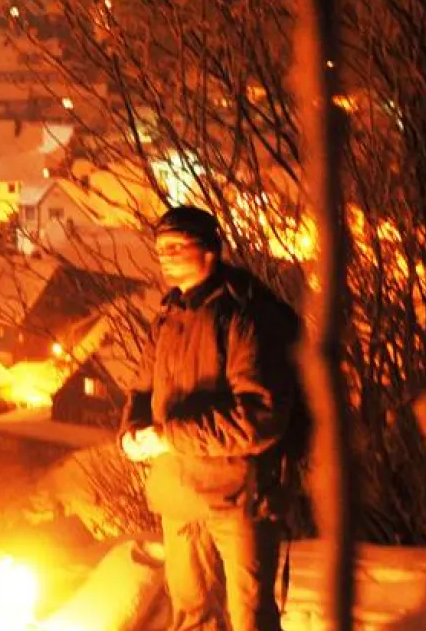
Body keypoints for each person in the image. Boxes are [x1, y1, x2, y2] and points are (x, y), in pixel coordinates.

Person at [121, 205, 303, 631]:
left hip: (239, 494)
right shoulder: (167, 316)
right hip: (179, 495)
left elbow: (259, 416)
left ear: (208, 252)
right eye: (159, 248)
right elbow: (141, 390)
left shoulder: (246, 316)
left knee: (249, 617)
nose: (163, 256)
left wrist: (168, 437)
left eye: (175, 247)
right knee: (191, 612)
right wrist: (130, 432)